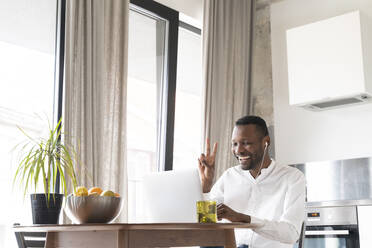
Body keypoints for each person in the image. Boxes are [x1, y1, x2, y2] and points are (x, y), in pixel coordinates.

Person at [198, 115, 305, 248]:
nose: (238, 150)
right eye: (235, 144)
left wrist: (243, 219)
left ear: (266, 142)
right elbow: (205, 220)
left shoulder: (292, 177)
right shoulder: (230, 175)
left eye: (246, 143)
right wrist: (206, 185)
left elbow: (291, 233)